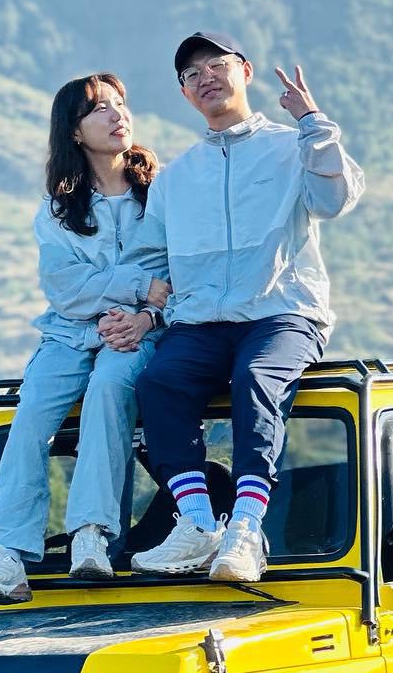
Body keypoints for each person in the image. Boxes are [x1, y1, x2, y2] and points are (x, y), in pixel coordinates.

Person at [125, 30, 364, 585]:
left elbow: (334, 200)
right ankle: (198, 521)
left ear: (245, 71)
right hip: (201, 322)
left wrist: (314, 123)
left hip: (283, 314)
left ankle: (247, 530)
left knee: (256, 380)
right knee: (158, 384)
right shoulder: (175, 178)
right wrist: (143, 310)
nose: (205, 77)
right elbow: (153, 261)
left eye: (216, 64)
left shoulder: (292, 146)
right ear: (185, 94)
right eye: (192, 74)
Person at [0, 72, 170, 606]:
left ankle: (91, 536)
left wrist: (144, 317)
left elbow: (184, 281)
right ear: (74, 132)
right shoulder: (57, 210)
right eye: (100, 109)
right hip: (66, 336)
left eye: (121, 104)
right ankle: (8, 556)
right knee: (29, 418)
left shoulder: (164, 197)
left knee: (108, 392)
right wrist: (139, 286)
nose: (117, 114)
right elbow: (65, 290)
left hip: (137, 336)